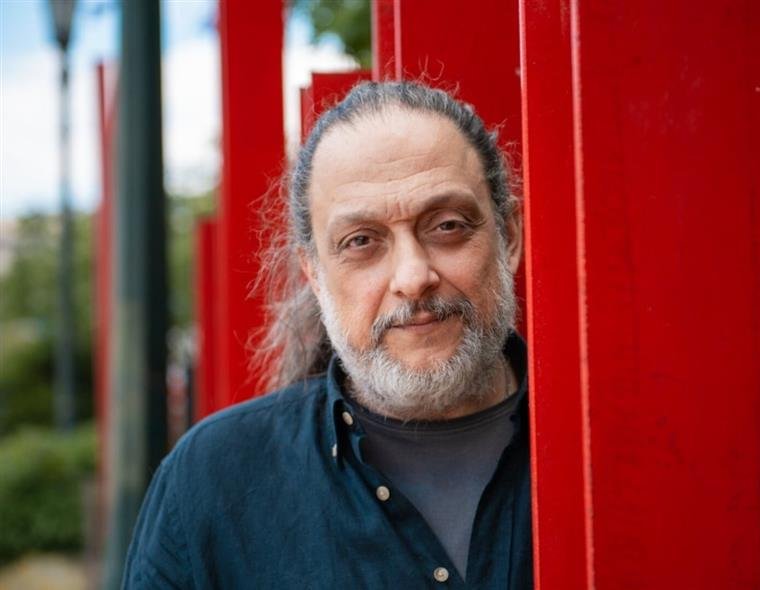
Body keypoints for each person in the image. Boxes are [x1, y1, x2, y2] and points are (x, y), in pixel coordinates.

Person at [123, 81, 532, 588]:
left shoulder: (613, 444)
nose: (412, 277)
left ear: (509, 236)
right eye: (361, 241)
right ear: (314, 274)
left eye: (447, 226)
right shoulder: (209, 483)